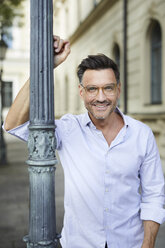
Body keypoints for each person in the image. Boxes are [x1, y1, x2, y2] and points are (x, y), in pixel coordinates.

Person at [4, 36, 165, 248]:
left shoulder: (141, 134)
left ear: (118, 89)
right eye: (92, 89)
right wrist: (45, 66)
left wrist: (148, 244)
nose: (100, 97)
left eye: (108, 88)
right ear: (82, 92)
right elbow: (12, 124)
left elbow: (154, 195)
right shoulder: (69, 129)